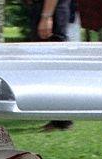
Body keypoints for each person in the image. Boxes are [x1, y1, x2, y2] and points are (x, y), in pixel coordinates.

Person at [27, 0, 73, 132]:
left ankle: (63, 120)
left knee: (55, 67)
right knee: (48, 68)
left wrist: (46, 16)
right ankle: (57, 119)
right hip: (47, 10)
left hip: (51, 11)